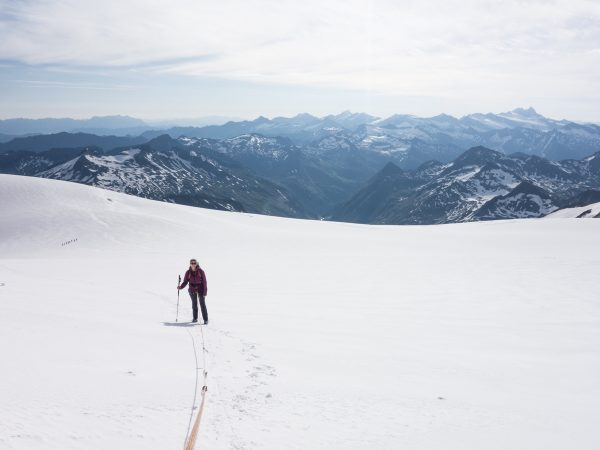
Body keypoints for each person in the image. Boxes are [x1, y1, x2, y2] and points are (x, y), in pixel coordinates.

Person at [178, 258, 208, 324]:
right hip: (192, 290)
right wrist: (181, 287)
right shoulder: (188, 272)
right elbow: (185, 281)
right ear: (190, 264)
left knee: (202, 304)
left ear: (197, 263)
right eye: (192, 263)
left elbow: (205, 282)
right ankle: (195, 318)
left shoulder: (201, 271)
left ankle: (205, 319)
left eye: (194, 263)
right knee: (194, 304)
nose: (193, 264)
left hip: (201, 289)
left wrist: (205, 291)